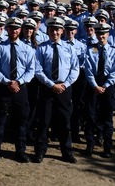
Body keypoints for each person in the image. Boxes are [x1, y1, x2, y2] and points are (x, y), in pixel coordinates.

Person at [32, 17, 79, 164]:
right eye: (52, 30)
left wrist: (65, 84)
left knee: (64, 121)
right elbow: (38, 69)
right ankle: (40, 151)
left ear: (62, 31)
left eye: (57, 30)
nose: (55, 32)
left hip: (64, 88)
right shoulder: (41, 48)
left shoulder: (69, 48)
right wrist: (51, 85)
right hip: (47, 88)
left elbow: (75, 69)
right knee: (44, 121)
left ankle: (66, 151)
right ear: (48, 31)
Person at [0, 17, 36, 163]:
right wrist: (7, 82)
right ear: (7, 29)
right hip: (4, 88)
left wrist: (18, 82)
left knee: (20, 121)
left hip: (20, 89)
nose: (14, 30)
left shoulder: (27, 49)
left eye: (16, 28)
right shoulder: (0, 48)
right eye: (11, 28)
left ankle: (20, 151)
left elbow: (31, 70)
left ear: (20, 30)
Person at [83, 22, 115, 158]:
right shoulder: (91, 49)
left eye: (103, 33)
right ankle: (90, 145)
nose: (101, 36)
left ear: (108, 35)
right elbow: (88, 70)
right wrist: (95, 86)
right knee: (90, 116)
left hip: (108, 86)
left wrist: (105, 85)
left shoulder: (114, 51)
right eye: (98, 33)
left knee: (107, 118)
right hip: (93, 86)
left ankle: (107, 147)